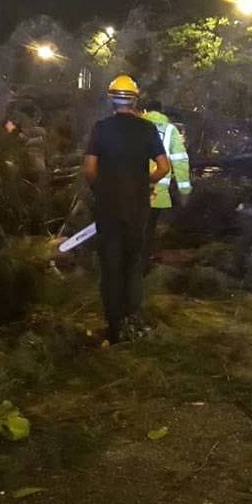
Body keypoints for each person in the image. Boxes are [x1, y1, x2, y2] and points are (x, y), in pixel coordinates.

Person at [84, 75, 170, 343]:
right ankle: (132, 321)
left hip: (108, 208)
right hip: (137, 209)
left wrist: (103, 190)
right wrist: (143, 183)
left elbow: (89, 170)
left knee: (110, 267)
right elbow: (164, 167)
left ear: (111, 99)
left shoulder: (101, 128)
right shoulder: (147, 129)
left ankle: (114, 326)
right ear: (135, 98)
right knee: (133, 265)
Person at [141, 100, 192, 273]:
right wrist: (184, 191)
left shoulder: (134, 126)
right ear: (162, 111)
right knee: (147, 229)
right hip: (157, 191)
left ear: (145, 110)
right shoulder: (171, 131)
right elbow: (180, 161)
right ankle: (141, 267)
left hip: (129, 189)